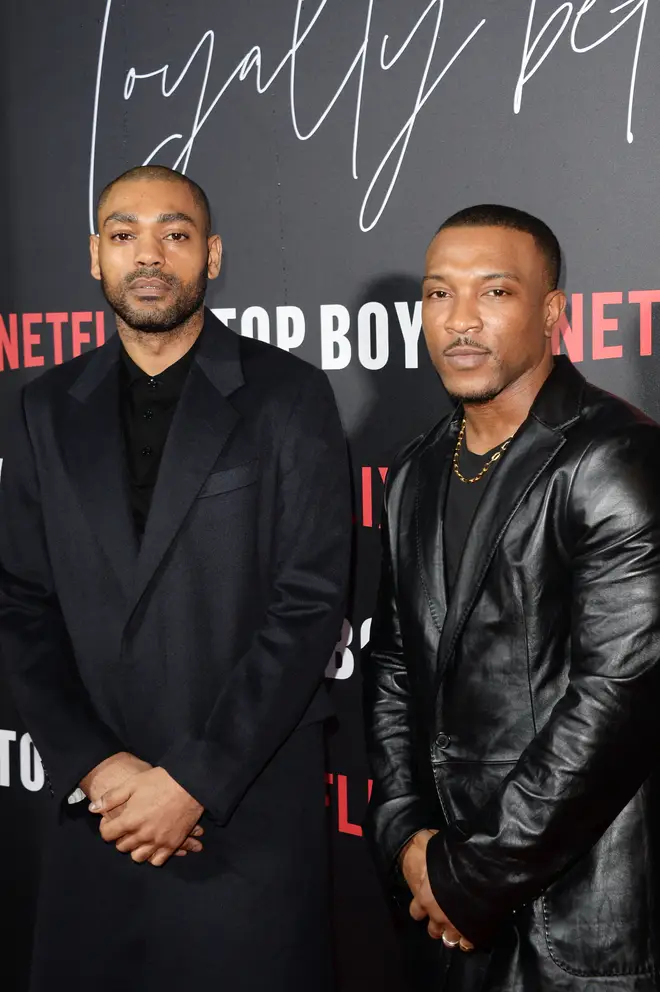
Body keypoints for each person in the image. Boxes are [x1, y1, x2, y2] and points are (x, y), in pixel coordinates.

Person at [0, 164, 350, 992]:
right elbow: (21, 602)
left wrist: (193, 782)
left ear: (213, 255)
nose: (148, 255)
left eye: (176, 234)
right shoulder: (43, 408)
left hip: (245, 821)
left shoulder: (289, 397)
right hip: (104, 820)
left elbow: (306, 606)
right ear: (95, 256)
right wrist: (96, 767)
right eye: (124, 235)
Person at [363, 203, 660, 991]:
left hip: (577, 921)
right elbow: (393, 662)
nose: (459, 322)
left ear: (552, 313)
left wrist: (473, 876)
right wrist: (404, 836)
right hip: (441, 912)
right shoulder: (417, 469)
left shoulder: (614, 458)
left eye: (493, 293)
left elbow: (617, 700)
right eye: (437, 295)